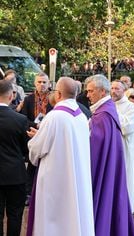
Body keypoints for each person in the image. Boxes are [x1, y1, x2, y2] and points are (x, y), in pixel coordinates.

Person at [26, 77, 94, 236]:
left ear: (59, 94)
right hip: (77, 176)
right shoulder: (81, 116)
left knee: (54, 220)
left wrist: (36, 138)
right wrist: (42, 134)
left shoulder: (54, 116)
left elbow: (36, 150)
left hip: (56, 180)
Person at [86, 74, 134, 236]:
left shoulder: (104, 114)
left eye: (91, 91)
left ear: (102, 92)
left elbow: (95, 145)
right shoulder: (105, 110)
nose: (87, 95)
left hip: (108, 163)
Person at [0, 80, 29, 236]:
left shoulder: (20, 119)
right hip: (15, 174)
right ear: (11, 96)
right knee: (15, 215)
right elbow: (25, 149)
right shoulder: (19, 120)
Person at [20, 73, 52, 205]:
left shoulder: (53, 98)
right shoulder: (28, 99)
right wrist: (36, 125)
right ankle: (28, 193)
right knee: (32, 165)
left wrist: (45, 126)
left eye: (44, 82)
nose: (42, 85)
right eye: (39, 82)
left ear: (49, 84)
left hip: (48, 134)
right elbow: (23, 119)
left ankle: (45, 191)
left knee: (47, 164)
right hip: (32, 135)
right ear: (35, 83)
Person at [111, 80, 134, 213]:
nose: (114, 91)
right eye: (112, 88)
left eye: (117, 88)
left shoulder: (129, 106)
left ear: (123, 91)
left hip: (123, 147)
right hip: (110, 147)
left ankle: (125, 208)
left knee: (124, 177)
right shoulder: (108, 105)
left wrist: (113, 110)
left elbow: (127, 127)